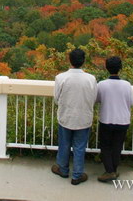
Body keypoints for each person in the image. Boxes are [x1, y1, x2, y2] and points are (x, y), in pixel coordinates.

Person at [51, 48, 97, 185]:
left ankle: (63, 169)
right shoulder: (91, 79)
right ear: (83, 61)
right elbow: (93, 98)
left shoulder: (61, 78)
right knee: (80, 146)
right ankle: (77, 175)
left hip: (66, 116)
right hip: (84, 117)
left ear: (69, 60)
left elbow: (56, 98)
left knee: (64, 144)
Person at [95, 56, 133, 182]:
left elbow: (96, 100)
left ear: (106, 68)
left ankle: (109, 171)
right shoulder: (127, 85)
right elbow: (132, 102)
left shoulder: (102, 84)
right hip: (123, 120)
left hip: (107, 119)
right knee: (117, 146)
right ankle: (114, 170)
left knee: (105, 145)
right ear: (120, 68)